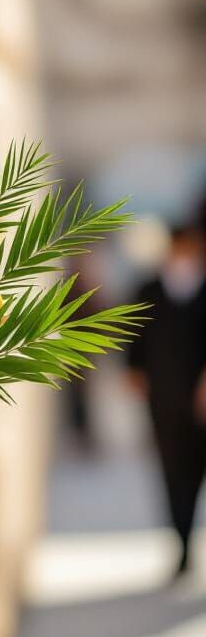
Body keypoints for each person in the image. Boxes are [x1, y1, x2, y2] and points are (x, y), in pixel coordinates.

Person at [124, 214, 206, 582]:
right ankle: (183, 545)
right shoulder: (148, 289)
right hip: (165, 398)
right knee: (173, 473)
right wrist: (133, 372)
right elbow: (132, 335)